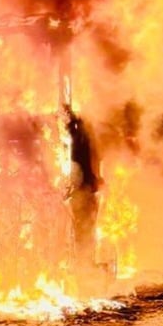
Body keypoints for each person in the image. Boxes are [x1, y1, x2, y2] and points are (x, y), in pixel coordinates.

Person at [63, 104, 101, 270]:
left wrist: (71, 119)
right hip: (86, 193)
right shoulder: (89, 144)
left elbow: (78, 155)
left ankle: (84, 263)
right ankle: (85, 262)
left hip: (84, 194)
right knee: (85, 232)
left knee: (83, 232)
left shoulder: (83, 147)